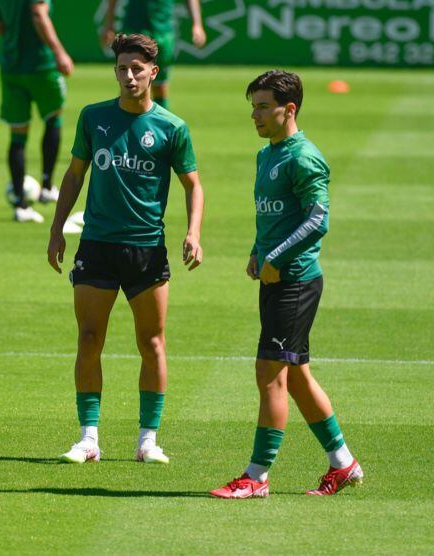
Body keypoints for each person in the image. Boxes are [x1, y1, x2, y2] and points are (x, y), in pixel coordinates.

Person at [46, 34, 204, 466]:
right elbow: (75, 175)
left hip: (147, 249)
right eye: (122, 68)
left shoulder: (171, 128)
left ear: (154, 72)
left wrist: (193, 232)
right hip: (96, 245)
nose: (129, 76)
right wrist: (58, 228)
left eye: (137, 68)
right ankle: (88, 438)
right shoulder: (93, 117)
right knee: (89, 338)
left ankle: (148, 440)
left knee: (152, 343)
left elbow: (193, 185)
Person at [210, 70, 362, 499]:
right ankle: (343, 464)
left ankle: (256, 477)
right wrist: (259, 250)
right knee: (295, 377)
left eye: (262, 107)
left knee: (269, 374)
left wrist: (276, 257)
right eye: (252, 107)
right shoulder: (268, 154)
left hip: (295, 281)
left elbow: (318, 219)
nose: (254, 116)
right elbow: (273, 214)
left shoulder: (303, 156)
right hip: (276, 276)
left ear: (288, 109)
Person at [0, 0, 74, 222]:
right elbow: (38, 14)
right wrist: (59, 52)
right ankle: (47, 186)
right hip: (40, 65)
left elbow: (0, 26)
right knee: (53, 118)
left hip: (11, 66)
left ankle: (20, 204)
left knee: (17, 134)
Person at [99, 0, 206, 110]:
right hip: (134, 29)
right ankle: (122, 124)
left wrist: (197, 24)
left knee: (160, 86)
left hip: (163, 31)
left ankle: (160, 125)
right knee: (130, 84)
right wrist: (109, 24)